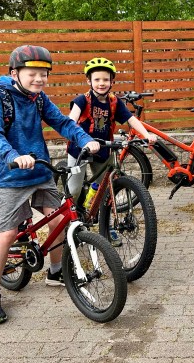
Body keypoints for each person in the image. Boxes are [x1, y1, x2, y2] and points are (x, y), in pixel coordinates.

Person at [0, 45, 101, 325]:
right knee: (7, 234)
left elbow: (62, 122)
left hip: (41, 170)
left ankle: (56, 271)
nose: (39, 79)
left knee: (56, 218)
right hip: (12, 175)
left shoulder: (38, 98)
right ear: (15, 73)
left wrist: (85, 139)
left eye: (44, 74)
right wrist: (13, 156)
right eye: (33, 73)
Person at [66, 57, 157, 244]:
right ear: (89, 81)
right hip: (80, 150)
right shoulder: (82, 100)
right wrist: (81, 139)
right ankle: (70, 223)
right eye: (97, 79)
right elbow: (70, 122)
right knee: (73, 189)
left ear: (112, 82)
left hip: (103, 150)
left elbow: (131, 120)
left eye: (105, 80)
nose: (101, 83)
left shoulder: (115, 102)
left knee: (106, 192)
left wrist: (146, 134)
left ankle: (106, 229)